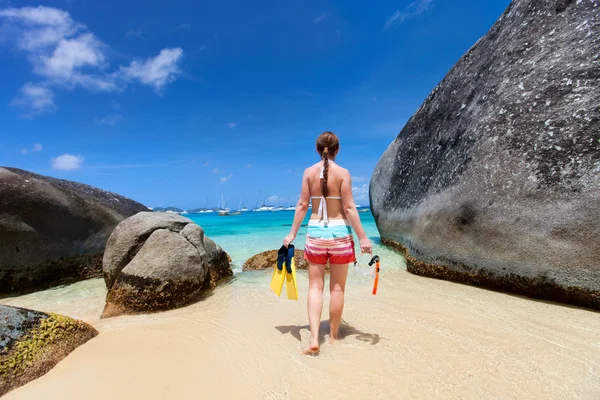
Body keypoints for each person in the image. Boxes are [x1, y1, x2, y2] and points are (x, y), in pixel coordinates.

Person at [283, 131, 372, 355]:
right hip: (340, 233)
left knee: (315, 287)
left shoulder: (308, 173)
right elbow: (350, 208)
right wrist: (363, 237)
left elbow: (302, 206)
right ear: (337, 150)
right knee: (337, 288)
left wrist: (292, 233)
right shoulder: (343, 173)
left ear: (317, 149)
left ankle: (313, 338)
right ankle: (333, 337)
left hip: (315, 234)